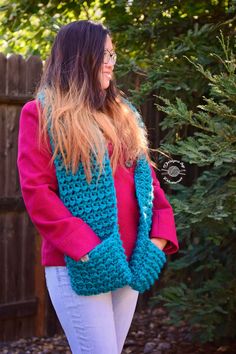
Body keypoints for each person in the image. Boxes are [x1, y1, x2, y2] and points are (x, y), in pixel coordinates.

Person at [17, 20, 179, 354]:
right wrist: (90, 250)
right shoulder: (42, 114)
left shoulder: (124, 116)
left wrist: (155, 243)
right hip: (80, 263)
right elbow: (38, 194)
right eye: (103, 55)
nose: (110, 63)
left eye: (112, 56)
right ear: (79, 58)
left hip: (132, 261)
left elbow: (148, 187)